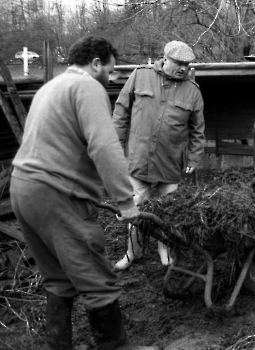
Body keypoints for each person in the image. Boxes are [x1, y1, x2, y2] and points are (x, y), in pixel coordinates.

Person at [10, 36, 158, 350]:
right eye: (110, 70)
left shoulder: (50, 87)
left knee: (59, 278)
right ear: (95, 63)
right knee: (96, 278)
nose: (112, 77)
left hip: (22, 189)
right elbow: (105, 146)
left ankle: (58, 346)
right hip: (56, 194)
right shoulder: (87, 86)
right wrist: (124, 201)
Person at [112, 40, 205, 271]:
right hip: (139, 158)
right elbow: (122, 111)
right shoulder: (140, 75)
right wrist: (116, 146)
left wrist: (193, 159)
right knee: (134, 209)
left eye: (187, 64)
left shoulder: (192, 92)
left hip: (170, 162)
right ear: (165, 59)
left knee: (169, 212)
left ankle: (164, 250)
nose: (183, 68)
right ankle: (133, 251)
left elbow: (197, 130)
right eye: (179, 63)